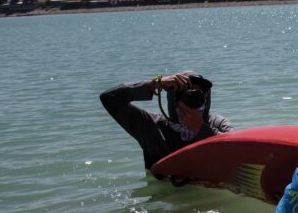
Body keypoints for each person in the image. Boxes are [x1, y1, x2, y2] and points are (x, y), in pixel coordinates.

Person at [100, 71, 233, 173]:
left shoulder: (217, 123)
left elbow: (235, 149)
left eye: (198, 94)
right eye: (186, 94)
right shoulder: (152, 127)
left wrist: (201, 128)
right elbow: (109, 98)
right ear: (173, 98)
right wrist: (155, 84)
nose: (193, 99)